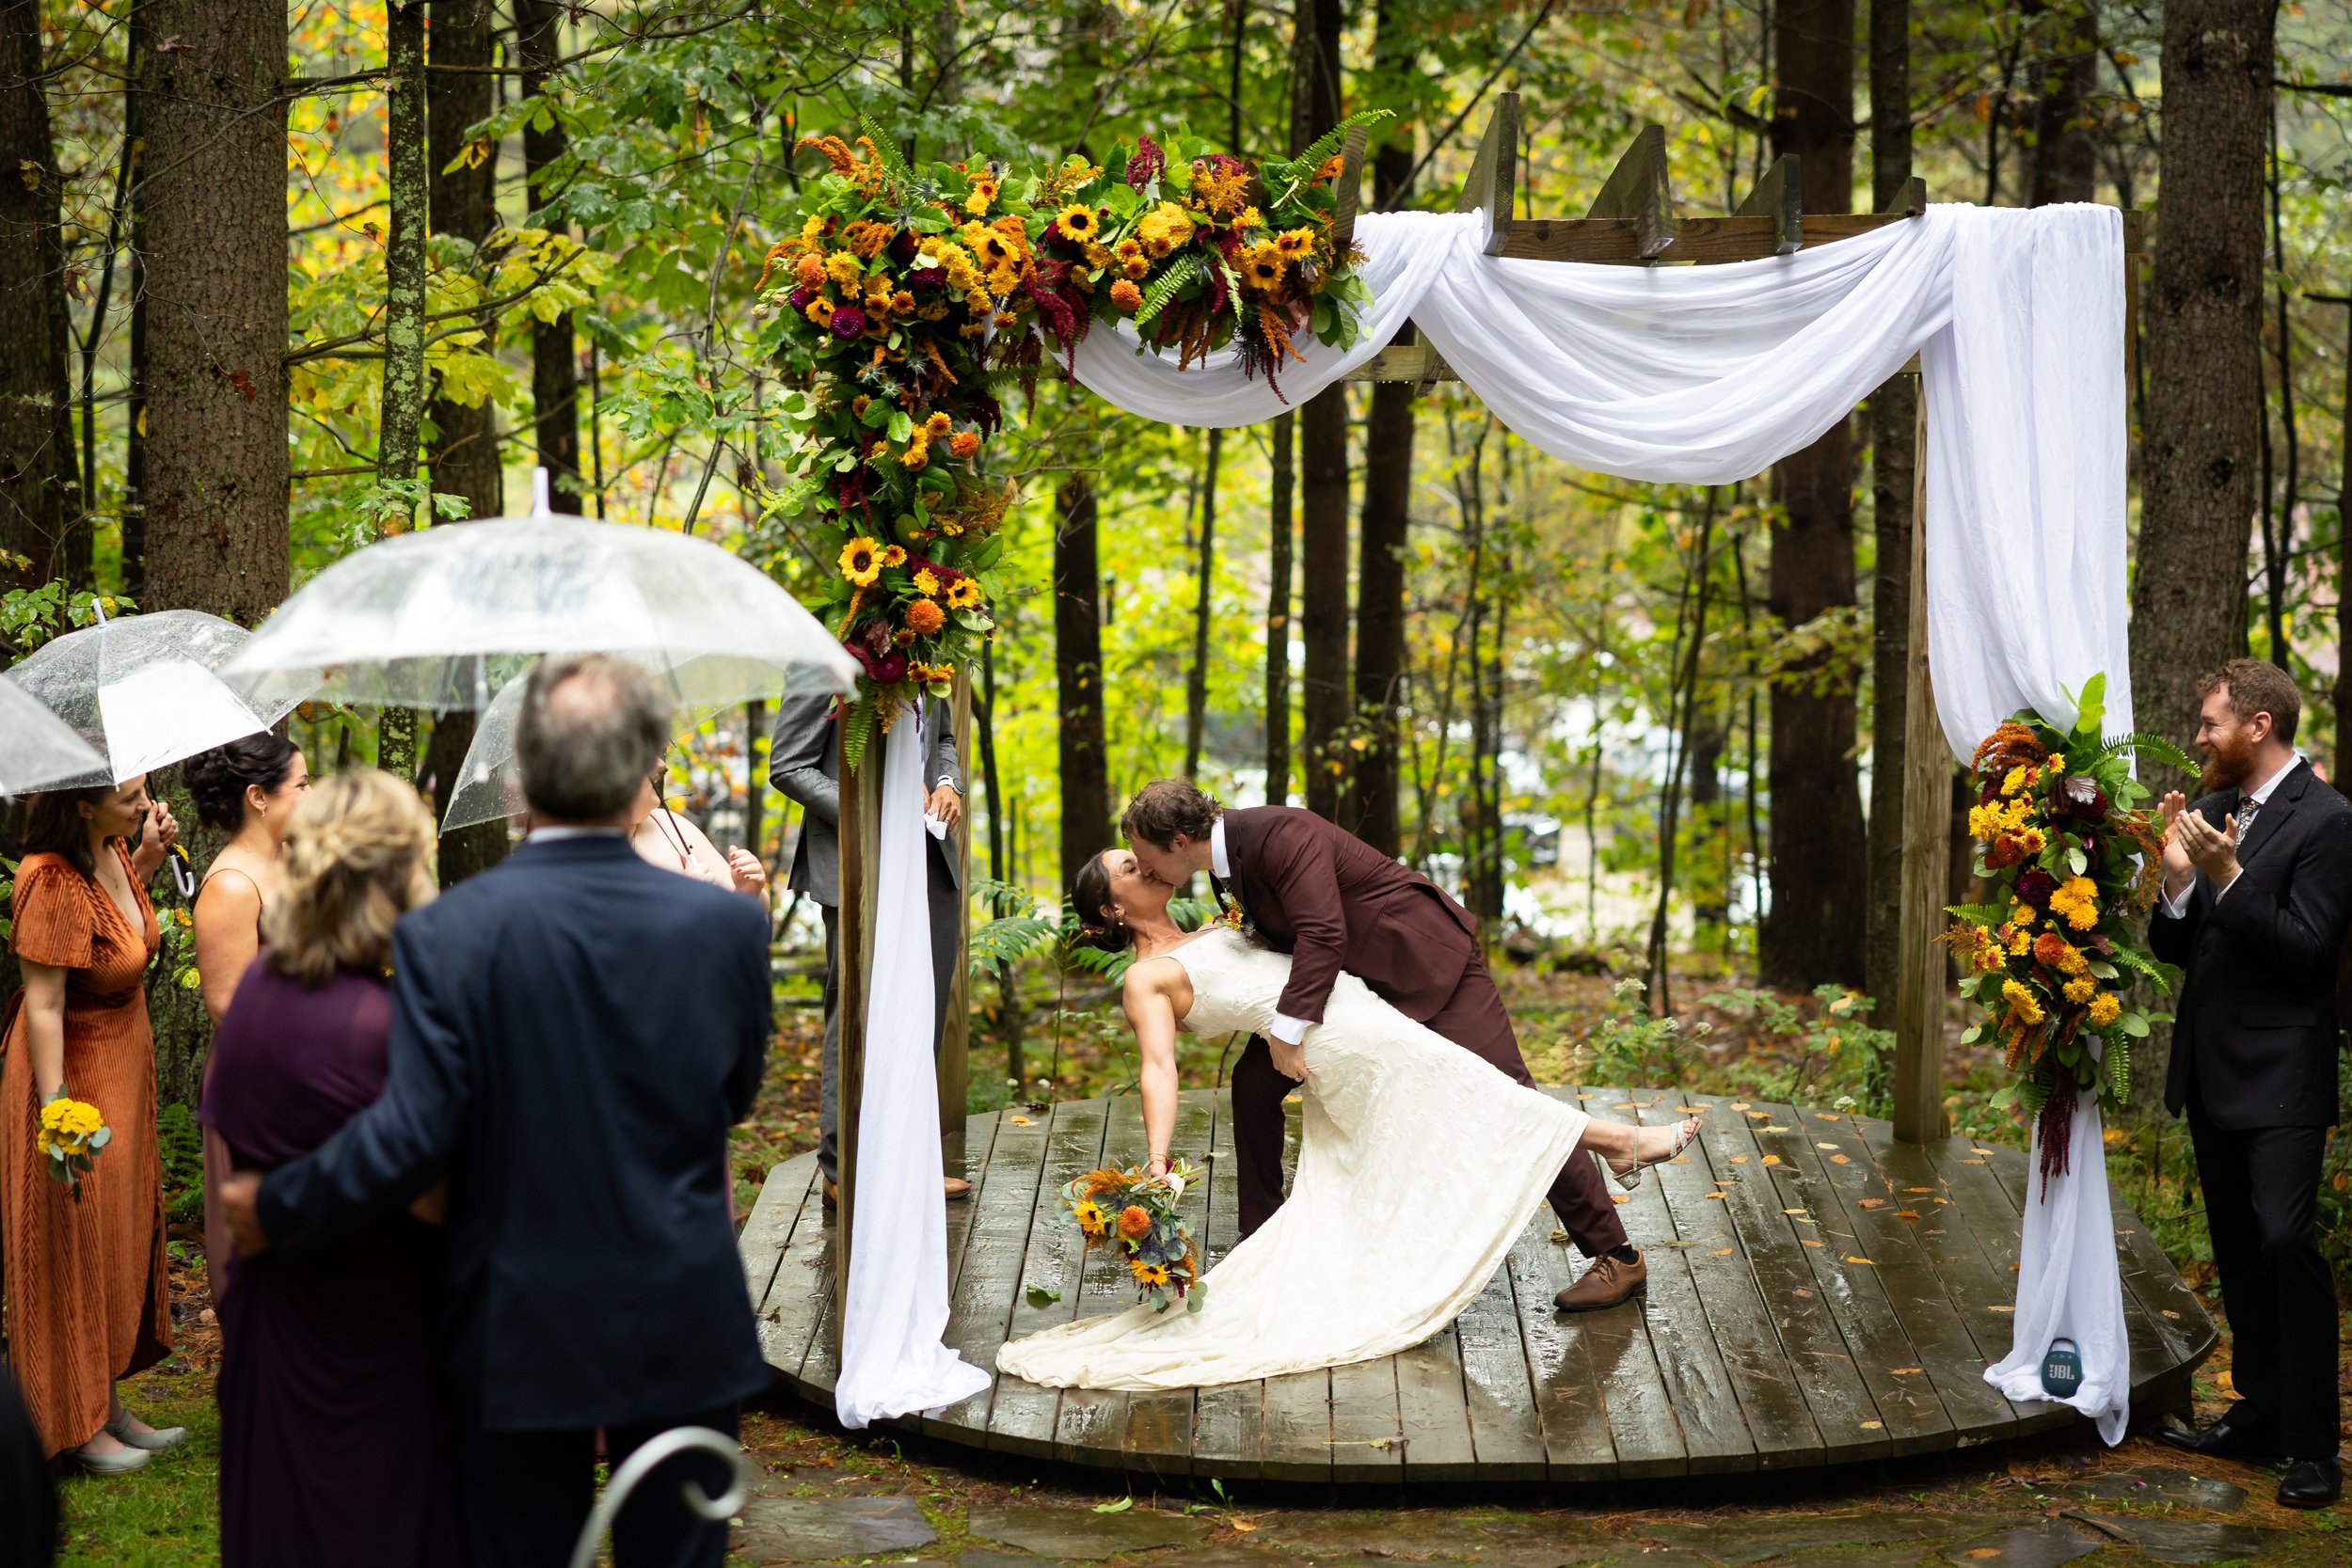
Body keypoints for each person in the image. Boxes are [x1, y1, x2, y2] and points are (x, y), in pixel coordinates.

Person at [219, 655, 772, 1568]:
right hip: (677, 1310)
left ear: (519, 781)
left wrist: (279, 1203)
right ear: (639, 765)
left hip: (520, 1315)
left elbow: (413, 1133)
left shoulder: (451, 930)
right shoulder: (725, 927)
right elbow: (737, 1095)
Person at [995, 848, 1696, 1388]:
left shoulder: (1216, 920)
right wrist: (1155, 1162)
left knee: (1476, 1099)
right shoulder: (1147, 976)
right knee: (1479, 1096)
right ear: (1113, 907)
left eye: (1140, 853)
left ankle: (1617, 1152)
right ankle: (1620, 1140)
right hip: (1344, 1041)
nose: (1142, 863)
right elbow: (1159, 1066)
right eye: (1126, 865)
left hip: (1357, 1006)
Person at [1117, 780, 1650, 1311]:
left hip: (1427, 964)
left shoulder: (1282, 833)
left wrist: (1285, 1031)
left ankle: (1617, 1255)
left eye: (1144, 857)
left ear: (1180, 840)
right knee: (1252, 1085)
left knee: (1514, 1095)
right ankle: (1261, 1240)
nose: (1145, 869)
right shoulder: (1225, 866)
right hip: (1351, 997)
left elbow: (1323, 933)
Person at [201, 769, 459, 1567]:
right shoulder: (376, 1029)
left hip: (274, 1337)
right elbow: (437, 1201)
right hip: (368, 1348)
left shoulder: (259, 999)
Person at [2150, 659, 2352, 1510]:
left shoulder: (2331, 818)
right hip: (2212, 1070)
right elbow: (2178, 948)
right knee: (2238, 1250)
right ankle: (2261, 1411)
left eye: (2211, 721)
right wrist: (2179, 877)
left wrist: (2229, 876)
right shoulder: (2219, 813)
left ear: (2259, 725)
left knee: (2282, 1243)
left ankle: (2314, 1447)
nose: (2199, 735)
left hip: (2284, 1076)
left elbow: (2309, 952)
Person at [0, 777, 182, 1470]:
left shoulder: (108, 847)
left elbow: (104, 927)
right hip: (70, 1078)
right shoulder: (45, 877)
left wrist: (145, 858)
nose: (143, 801)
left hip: (120, 1071)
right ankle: (69, 1427)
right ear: (80, 801)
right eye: (129, 793)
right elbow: (44, 1003)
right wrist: (57, 1112)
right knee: (70, 1243)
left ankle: (102, 1403)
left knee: (110, 1236)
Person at [769, 690, 969, 1203]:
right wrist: (874, 811)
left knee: (922, 1010)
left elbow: (940, 737)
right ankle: (843, 1170)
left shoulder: (932, 639)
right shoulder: (828, 656)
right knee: (857, 1014)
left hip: (929, 852)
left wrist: (948, 782)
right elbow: (788, 765)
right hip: (858, 859)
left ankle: (910, 1164)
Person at [184, 731, 310, 1307]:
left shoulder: (293, 860)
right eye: (302, 785)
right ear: (259, 797)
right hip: (262, 1077)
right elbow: (227, 1007)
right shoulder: (232, 885)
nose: (312, 795)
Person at [628, 760, 768, 900]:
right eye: (643, 751)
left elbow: (751, 906)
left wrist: (747, 893)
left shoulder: (668, 824)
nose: (660, 764)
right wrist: (686, 899)